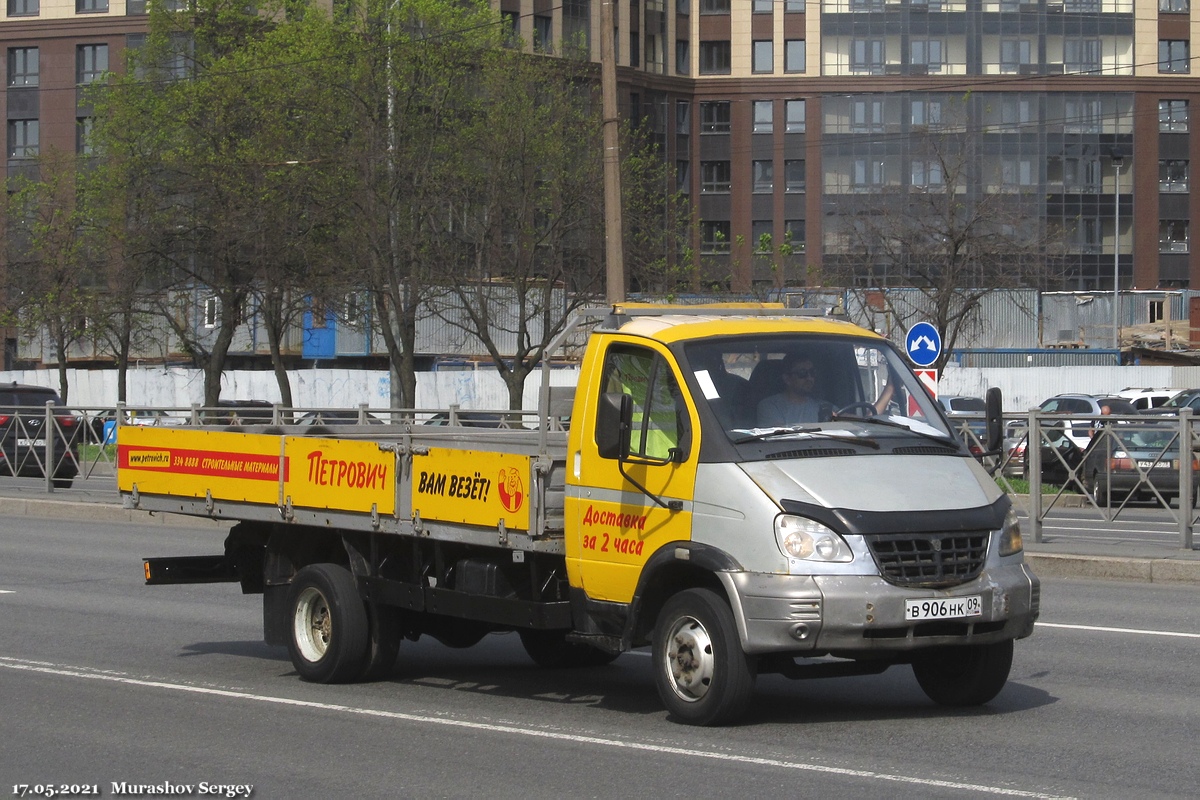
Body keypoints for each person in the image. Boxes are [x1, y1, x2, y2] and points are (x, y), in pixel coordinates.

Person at [757, 353, 822, 427]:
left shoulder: (824, 407)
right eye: (802, 373)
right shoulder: (770, 406)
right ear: (787, 379)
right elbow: (780, 436)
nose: (809, 378)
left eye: (812, 372)